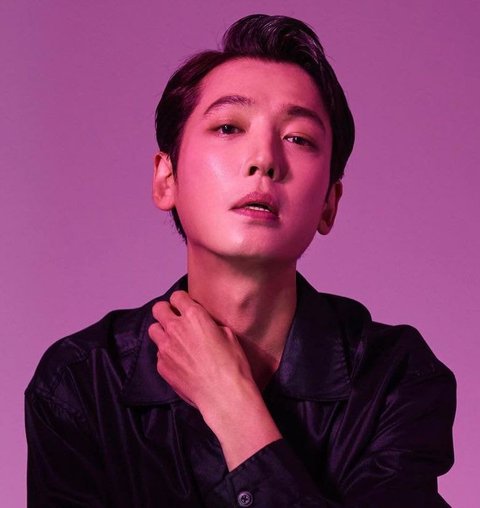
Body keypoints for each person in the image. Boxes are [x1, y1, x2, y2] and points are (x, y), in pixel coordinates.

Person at [25, 14, 456, 507]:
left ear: (329, 203)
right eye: (228, 127)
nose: (264, 159)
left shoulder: (395, 378)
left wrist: (232, 405)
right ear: (166, 178)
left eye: (298, 138)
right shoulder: (81, 383)